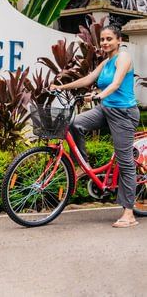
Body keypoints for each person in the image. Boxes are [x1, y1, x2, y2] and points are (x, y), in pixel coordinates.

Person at [50, 24, 140, 228]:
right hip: (105, 110)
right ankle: (84, 165)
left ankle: (129, 213)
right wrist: (60, 87)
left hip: (123, 114)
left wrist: (100, 95)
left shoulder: (123, 58)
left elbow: (116, 83)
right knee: (73, 124)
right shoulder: (106, 62)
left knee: (125, 161)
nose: (105, 43)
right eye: (103, 40)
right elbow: (87, 79)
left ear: (119, 40)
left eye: (109, 39)